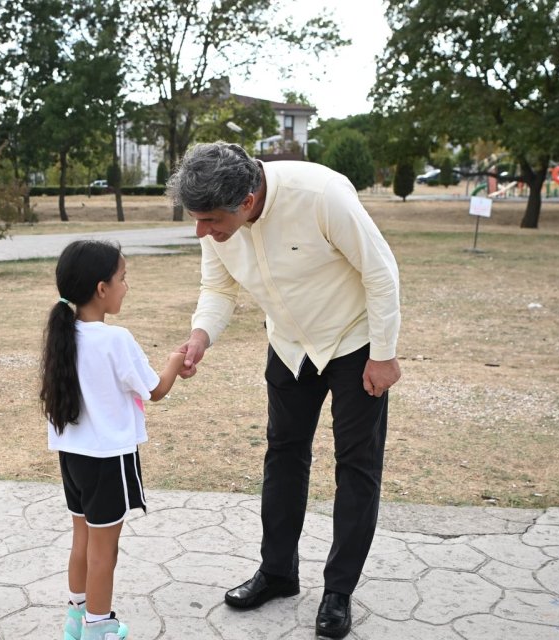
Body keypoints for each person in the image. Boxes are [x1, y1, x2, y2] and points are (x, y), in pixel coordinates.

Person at [168, 142, 401, 638]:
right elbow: (218, 288)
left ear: (247, 202)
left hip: (354, 341)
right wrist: (200, 335)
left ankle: (338, 592)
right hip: (289, 344)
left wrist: (383, 353)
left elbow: (380, 271)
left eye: (208, 220)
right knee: (283, 455)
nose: (201, 231)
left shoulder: (320, 194)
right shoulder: (217, 219)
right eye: (196, 219)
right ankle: (277, 572)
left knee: (356, 465)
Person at [40, 239, 185, 640]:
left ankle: (77, 617)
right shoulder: (116, 340)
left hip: (72, 457)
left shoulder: (61, 336)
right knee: (105, 552)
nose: (127, 286)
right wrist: (175, 362)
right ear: (101, 289)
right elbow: (154, 390)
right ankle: (99, 628)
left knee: (82, 541)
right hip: (108, 460)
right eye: (123, 278)